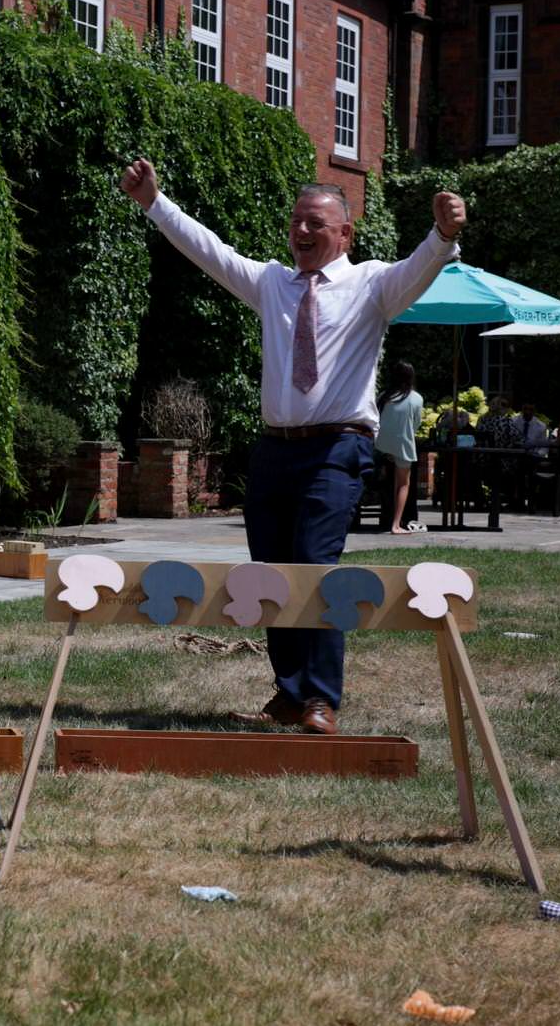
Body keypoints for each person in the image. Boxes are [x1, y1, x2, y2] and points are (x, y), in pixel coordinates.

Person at [119, 158, 463, 734]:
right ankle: (288, 691)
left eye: (316, 224)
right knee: (271, 573)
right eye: (296, 222)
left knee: (315, 567)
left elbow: (419, 270)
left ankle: (321, 700)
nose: (302, 233)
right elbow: (210, 251)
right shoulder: (271, 282)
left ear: (345, 234)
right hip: (275, 450)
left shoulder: (373, 286)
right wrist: (155, 202)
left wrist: (444, 235)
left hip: (338, 448)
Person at [373, 361, 425, 534]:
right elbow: (416, 424)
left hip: (381, 444)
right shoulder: (416, 398)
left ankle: (389, 518)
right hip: (403, 443)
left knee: (390, 483)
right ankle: (396, 524)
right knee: (403, 484)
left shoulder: (383, 397)